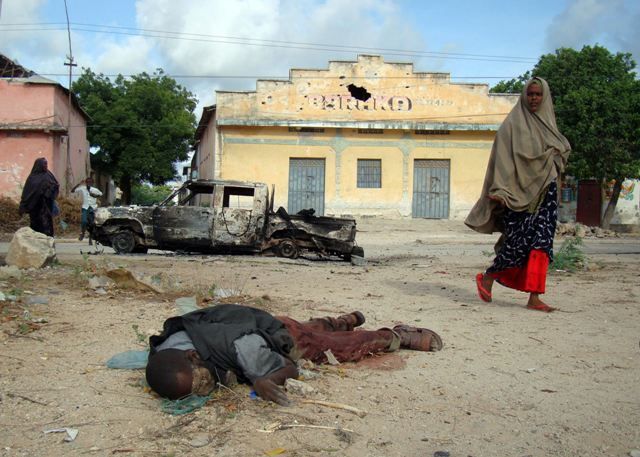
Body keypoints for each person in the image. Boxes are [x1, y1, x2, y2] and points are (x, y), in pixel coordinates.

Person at [145, 304, 443, 405]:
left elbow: (290, 367)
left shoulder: (243, 351)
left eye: (201, 382)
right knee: (306, 328)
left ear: (194, 356)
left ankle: (395, 335)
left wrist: (264, 379)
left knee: (331, 347)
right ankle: (343, 321)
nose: (205, 389)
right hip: (255, 321)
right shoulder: (166, 345)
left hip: (273, 334)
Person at [465, 77, 571, 312]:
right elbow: (502, 159)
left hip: (546, 194)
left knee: (542, 245)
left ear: (545, 98)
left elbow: (561, 153)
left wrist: (554, 157)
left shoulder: (549, 126)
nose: (533, 98)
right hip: (517, 195)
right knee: (516, 243)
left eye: (538, 95)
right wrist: (499, 188)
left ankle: (534, 297)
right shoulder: (512, 125)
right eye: (530, 94)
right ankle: (488, 278)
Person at [18, 157, 60, 237]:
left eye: (46, 163)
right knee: (36, 227)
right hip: (35, 208)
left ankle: (48, 245)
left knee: (47, 226)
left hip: (46, 207)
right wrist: (23, 206)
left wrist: (49, 191)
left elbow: (55, 185)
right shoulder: (32, 178)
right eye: (44, 164)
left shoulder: (48, 174)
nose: (46, 165)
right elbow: (27, 193)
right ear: (39, 165)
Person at [72, 177, 102, 243]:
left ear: (92, 183)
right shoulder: (83, 188)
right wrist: (79, 184)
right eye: (87, 182)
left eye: (90, 182)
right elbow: (72, 191)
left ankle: (91, 237)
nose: (88, 184)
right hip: (85, 207)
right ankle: (82, 233)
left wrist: (94, 195)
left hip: (93, 208)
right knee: (84, 221)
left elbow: (100, 194)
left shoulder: (95, 189)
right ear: (85, 183)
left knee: (92, 224)